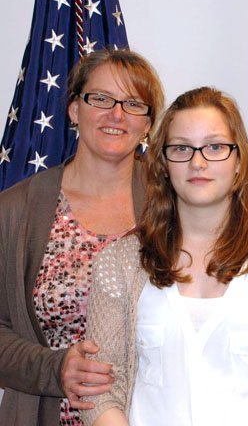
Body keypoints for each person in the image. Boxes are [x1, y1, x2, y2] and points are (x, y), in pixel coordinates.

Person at [81, 87, 248, 426]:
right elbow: (100, 389)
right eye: (181, 148)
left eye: (215, 147)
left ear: (239, 162)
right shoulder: (119, 264)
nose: (198, 162)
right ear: (163, 164)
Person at [0, 48, 164, 425]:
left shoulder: (176, 202)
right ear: (75, 110)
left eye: (133, 103)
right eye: (101, 98)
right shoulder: (16, 212)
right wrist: (54, 368)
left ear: (148, 124)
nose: (116, 114)